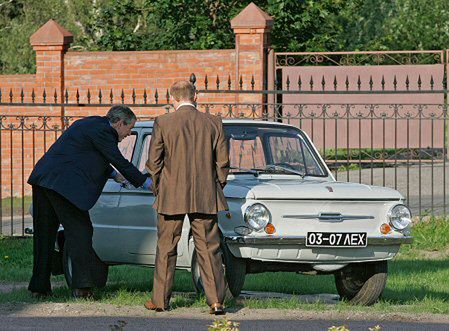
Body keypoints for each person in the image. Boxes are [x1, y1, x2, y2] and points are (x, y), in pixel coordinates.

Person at [27, 105, 152, 299]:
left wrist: (114, 175)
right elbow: (117, 159)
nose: (128, 134)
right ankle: (82, 287)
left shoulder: (91, 124)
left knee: (44, 234)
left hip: (44, 179)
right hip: (62, 185)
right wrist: (145, 182)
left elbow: (87, 154)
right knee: (81, 232)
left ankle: (39, 287)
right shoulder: (105, 132)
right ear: (120, 123)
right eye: (129, 129)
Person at [144, 81, 229, 315]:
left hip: (171, 193)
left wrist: (159, 187)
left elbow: (154, 162)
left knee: (166, 247)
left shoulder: (163, 122)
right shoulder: (214, 122)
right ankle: (216, 301)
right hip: (206, 194)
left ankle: (160, 300)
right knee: (210, 248)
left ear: (172, 98)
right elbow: (222, 163)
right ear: (196, 96)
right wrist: (216, 185)